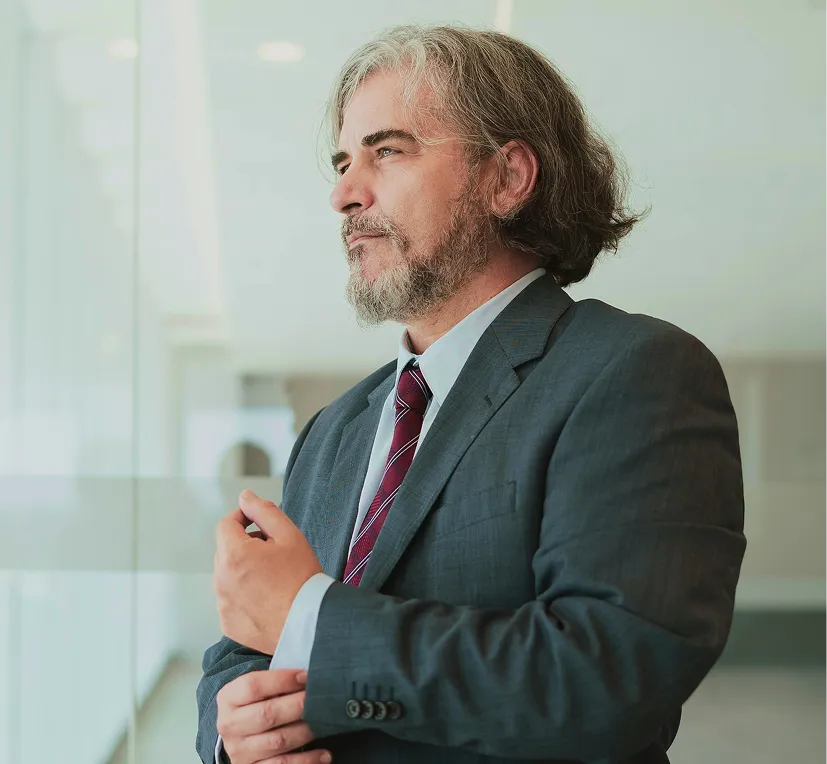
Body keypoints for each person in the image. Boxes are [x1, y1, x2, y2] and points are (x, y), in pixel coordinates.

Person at [196, 24, 746, 764]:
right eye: (341, 161)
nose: (343, 193)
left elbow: (608, 677)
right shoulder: (335, 429)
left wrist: (314, 618)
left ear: (506, 178)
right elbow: (246, 643)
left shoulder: (635, 371)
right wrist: (232, 727)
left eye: (386, 151)